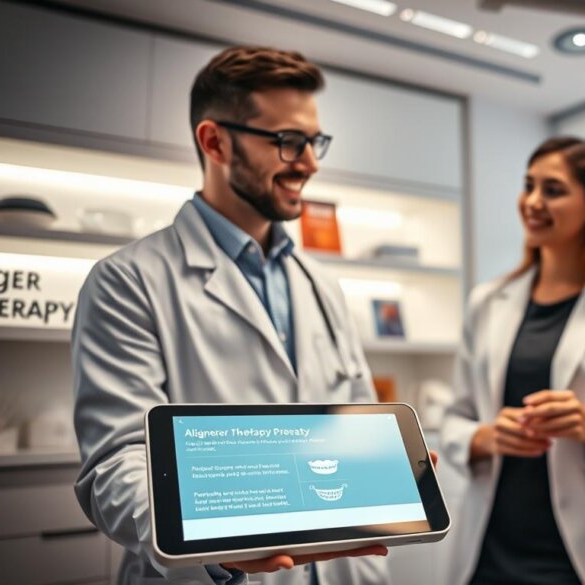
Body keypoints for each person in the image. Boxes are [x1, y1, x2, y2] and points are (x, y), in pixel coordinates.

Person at [72, 46, 390, 585]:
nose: (310, 163)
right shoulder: (127, 281)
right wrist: (214, 545)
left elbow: (354, 422)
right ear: (214, 140)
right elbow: (116, 466)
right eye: (290, 142)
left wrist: (386, 469)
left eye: (315, 143)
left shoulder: (323, 285)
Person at [441, 134, 585, 585]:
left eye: (553, 190)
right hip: (486, 555)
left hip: (582, 560)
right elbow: (453, 420)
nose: (532, 201)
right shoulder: (487, 301)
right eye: (528, 186)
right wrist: (487, 437)